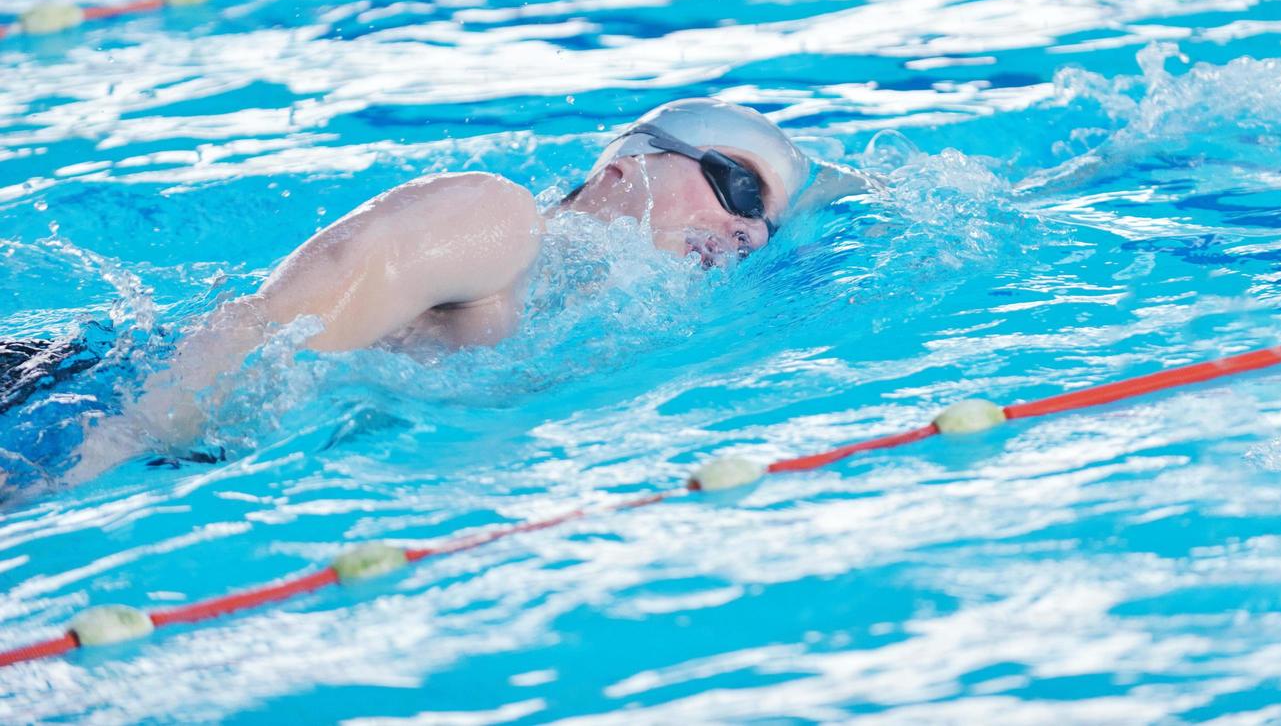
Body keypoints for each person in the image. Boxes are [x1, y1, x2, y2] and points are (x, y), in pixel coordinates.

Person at [39, 98, 811, 491]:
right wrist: (73, 472)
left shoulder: (591, 324)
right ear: (625, 166)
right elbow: (258, 337)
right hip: (70, 410)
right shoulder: (494, 221)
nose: (743, 231)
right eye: (736, 187)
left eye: (762, 230)